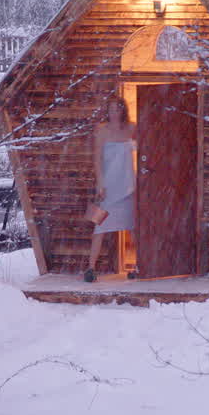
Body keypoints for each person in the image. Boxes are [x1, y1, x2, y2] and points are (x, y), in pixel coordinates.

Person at [84, 96, 136, 282]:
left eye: (117, 109)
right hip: (108, 185)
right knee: (100, 226)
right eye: (111, 109)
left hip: (129, 184)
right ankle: (90, 268)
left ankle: (138, 266)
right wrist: (100, 183)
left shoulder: (132, 128)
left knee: (132, 226)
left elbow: (147, 149)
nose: (114, 113)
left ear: (123, 110)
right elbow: (97, 159)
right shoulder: (102, 131)